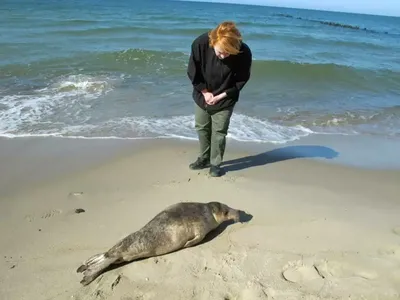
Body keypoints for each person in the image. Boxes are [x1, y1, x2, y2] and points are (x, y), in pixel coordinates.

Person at [186, 21, 252, 177]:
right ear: (213, 42)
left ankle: (215, 164)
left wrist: (221, 96)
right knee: (202, 127)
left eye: (228, 53)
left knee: (219, 132)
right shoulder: (200, 43)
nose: (223, 56)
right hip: (203, 93)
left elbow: (241, 80)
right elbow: (192, 72)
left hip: (226, 96)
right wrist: (205, 92)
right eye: (220, 52)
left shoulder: (243, 52)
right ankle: (204, 158)